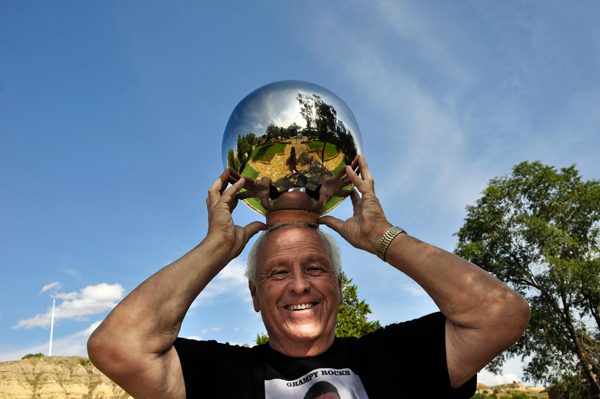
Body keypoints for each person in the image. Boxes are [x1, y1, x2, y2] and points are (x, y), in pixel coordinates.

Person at [87, 155, 530, 398]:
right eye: (278, 273)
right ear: (255, 295)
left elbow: (500, 314)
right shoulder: (222, 377)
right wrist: (215, 249)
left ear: (338, 285)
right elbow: (116, 347)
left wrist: (382, 236)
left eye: (315, 268)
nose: (299, 285)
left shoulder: (396, 360)